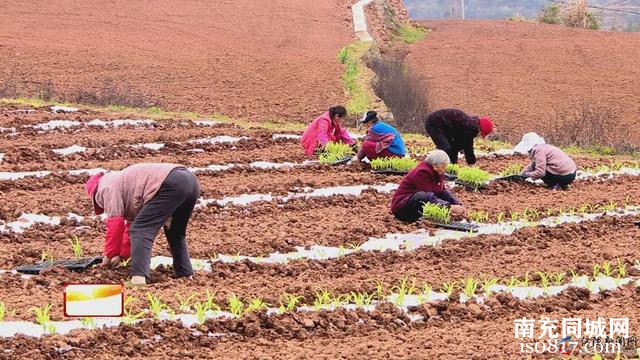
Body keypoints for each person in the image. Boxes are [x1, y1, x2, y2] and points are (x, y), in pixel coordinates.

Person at [84, 163, 200, 286]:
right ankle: (185, 274)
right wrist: (122, 256)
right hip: (189, 181)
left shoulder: (105, 187)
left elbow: (115, 224)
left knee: (141, 230)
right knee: (175, 233)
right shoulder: (124, 185)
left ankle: (138, 280)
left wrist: (109, 255)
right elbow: (130, 227)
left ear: (96, 194)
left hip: (170, 182)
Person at [391, 150, 467, 223]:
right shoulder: (422, 172)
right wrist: (449, 207)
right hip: (402, 209)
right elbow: (429, 195)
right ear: (434, 164)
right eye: (443, 166)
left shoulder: (438, 171)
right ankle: (414, 219)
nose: (444, 170)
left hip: (416, 203)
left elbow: (442, 191)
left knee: (442, 194)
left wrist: (458, 204)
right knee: (422, 196)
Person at [424, 108, 494, 165]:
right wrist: (472, 164)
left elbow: (456, 146)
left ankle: (450, 167)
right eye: (481, 133)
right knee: (446, 149)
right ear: (480, 129)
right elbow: (468, 148)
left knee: (450, 148)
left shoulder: (468, 124)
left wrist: (454, 163)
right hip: (434, 123)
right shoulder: (470, 128)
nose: (479, 135)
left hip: (444, 127)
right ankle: (432, 166)